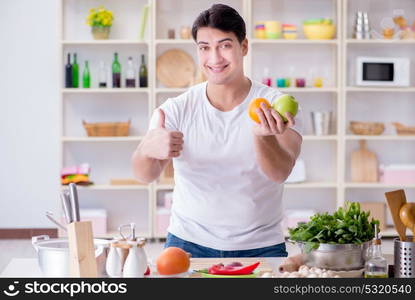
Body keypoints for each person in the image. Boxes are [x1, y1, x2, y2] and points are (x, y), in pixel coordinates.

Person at [131, 4, 303, 258]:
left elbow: (280, 173)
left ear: (243, 47)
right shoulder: (177, 109)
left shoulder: (274, 105)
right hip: (187, 244)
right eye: (205, 48)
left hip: (261, 246)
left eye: (224, 45)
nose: (214, 58)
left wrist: (260, 137)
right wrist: (147, 149)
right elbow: (145, 175)